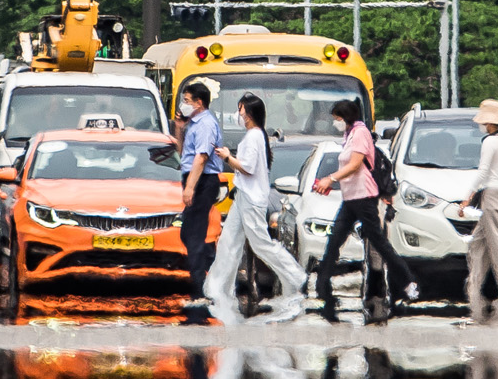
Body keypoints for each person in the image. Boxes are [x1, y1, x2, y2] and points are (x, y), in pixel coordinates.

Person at [312, 98, 418, 322]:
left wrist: (329, 179)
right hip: (351, 198)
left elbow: (355, 164)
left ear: (346, 117)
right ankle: (322, 288)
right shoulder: (349, 134)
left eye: (337, 119)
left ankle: (408, 282)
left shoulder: (360, 133)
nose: (335, 123)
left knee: (379, 243)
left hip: (365, 198)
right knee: (334, 240)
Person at [206, 92, 308, 324]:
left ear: (250, 113)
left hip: (251, 198)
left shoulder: (254, 137)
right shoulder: (255, 135)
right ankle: (217, 288)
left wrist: (227, 157)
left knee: (260, 243)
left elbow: (248, 168)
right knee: (228, 241)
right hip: (244, 196)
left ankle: (296, 276)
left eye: (241, 109)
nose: (238, 114)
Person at [464, 98, 498, 327]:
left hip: (493, 197)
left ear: (489, 122)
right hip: (496, 196)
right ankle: (473, 289)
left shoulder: (491, 142)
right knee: (478, 244)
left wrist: (467, 197)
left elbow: (484, 171)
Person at [177, 82, 224, 317]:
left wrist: (191, 188)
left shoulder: (206, 124)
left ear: (199, 103)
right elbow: (183, 154)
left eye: (187, 101)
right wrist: (179, 128)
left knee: (194, 234)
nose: (183, 105)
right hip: (195, 178)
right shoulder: (194, 124)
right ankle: (204, 276)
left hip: (203, 181)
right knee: (188, 233)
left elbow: (201, 158)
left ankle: (198, 290)